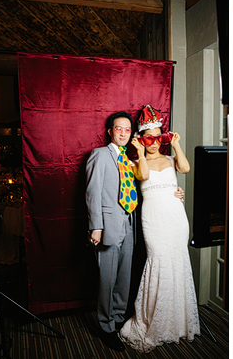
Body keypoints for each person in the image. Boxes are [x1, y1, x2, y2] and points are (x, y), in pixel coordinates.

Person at [86, 110, 184, 352]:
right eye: (118, 128)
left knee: (124, 278)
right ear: (110, 131)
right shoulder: (99, 155)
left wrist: (176, 193)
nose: (123, 132)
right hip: (108, 227)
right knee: (107, 280)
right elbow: (92, 193)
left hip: (131, 224)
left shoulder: (131, 158)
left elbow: (147, 184)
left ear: (132, 133)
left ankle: (118, 318)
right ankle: (105, 326)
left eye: (127, 129)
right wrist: (96, 227)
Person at [118, 105, 200, 352]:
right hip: (153, 218)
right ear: (142, 139)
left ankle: (176, 321)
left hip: (176, 217)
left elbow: (185, 169)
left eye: (158, 137)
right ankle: (152, 320)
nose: (154, 143)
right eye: (148, 138)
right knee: (158, 260)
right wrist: (141, 153)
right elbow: (142, 176)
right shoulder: (134, 161)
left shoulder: (171, 158)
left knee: (177, 261)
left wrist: (176, 145)